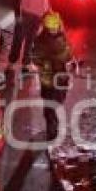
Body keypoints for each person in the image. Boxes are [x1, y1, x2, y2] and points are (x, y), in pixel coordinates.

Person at [32, 11, 73, 141]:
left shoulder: (40, 41)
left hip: (48, 80)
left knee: (49, 108)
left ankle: (52, 131)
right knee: (54, 104)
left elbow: (35, 59)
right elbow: (69, 57)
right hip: (61, 79)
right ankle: (53, 128)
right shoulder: (63, 38)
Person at [9, 0, 49, 67]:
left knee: (31, 39)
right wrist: (18, 14)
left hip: (38, 14)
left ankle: (26, 61)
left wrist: (46, 10)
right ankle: (12, 61)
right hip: (26, 13)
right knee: (19, 38)